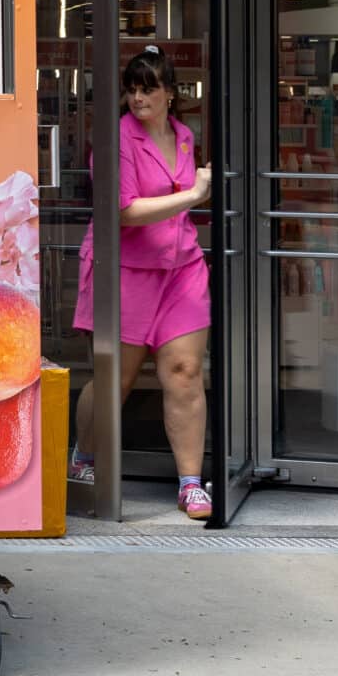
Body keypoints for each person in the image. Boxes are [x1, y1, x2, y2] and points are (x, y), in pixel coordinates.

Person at [67, 46, 215, 520]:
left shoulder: (184, 137)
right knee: (117, 378)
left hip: (182, 269)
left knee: (185, 371)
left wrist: (190, 196)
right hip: (126, 270)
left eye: (148, 89)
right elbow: (124, 211)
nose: (138, 98)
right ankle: (84, 457)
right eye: (132, 89)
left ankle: (190, 484)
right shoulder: (117, 139)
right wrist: (193, 195)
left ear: (171, 93)